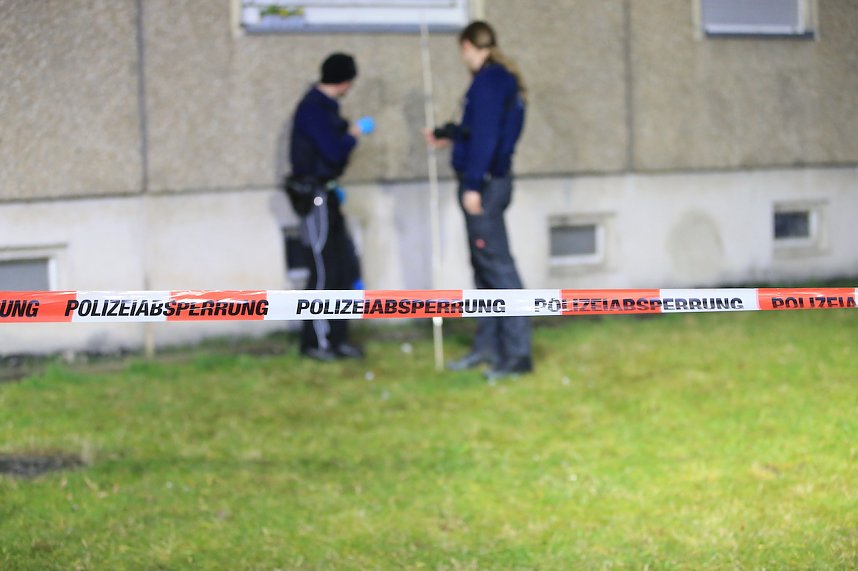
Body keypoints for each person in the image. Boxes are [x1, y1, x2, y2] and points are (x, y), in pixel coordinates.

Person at [425, 21, 532, 380]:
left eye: (462, 51)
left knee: (498, 269)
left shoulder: (489, 81)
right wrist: (448, 135)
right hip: (487, 182)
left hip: (484, 186)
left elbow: (486, 138)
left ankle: (517, 357)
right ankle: (488, 346)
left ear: (469, 46)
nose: (463, 58)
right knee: (484, 269)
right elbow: (477, 130)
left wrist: (473, 184)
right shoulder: (497, 79)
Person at [287, 52, 374, 361]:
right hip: (316, 197)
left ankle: (337, 338)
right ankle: (317, 342)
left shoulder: (325, 108)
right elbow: (334, 152)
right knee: (323, 272)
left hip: (328, 195)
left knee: (342, 269)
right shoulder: (314, 110)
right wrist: (352, 135)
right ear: (345, 81)